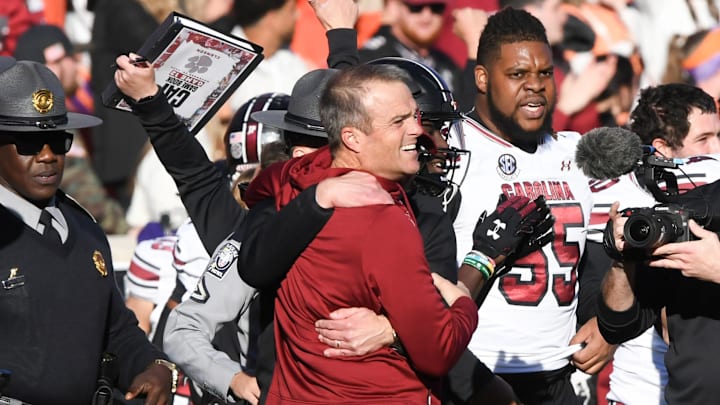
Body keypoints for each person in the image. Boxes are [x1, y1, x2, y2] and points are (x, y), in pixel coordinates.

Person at [241, 63, 477, 404]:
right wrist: (465, 304)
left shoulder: (294, 181)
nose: (419, 131)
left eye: (415, 117)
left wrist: (389, 329)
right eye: (400, 122)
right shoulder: (383, 221)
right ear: (351, 137)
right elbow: (437, 350)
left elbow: (266, 185)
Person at [450, 7, 609, 404]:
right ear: (483, 78)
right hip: (474, 372)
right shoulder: (453, 148)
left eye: (544, 73)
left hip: (560, 374)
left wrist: (606, 324)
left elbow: (597, 255)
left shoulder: (576, 151)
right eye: (518, 75)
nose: (535, 86)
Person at [0, 56, 174, 403]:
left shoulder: (83, 228)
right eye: (29, 143)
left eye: (58, 141)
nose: (48, 156)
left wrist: (153, 365)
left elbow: (115, 327)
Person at [596, 84, 720, 405]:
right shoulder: (662, 218)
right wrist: (622, 261)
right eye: (705, 139)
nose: (716, 149)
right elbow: (618, 326)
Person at [13, 23, 130, 234]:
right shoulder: (48, 122)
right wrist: (126, 228)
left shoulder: (17, 113)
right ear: (52, 67)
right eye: (68, 58)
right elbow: (88, 200)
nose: (76, 65)